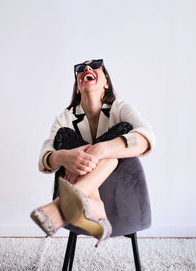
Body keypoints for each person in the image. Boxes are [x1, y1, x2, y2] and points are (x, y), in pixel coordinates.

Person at [30, 59, 156, 247]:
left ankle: (63, 206)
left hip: (119, 194)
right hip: (81, 201)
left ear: (106, 82)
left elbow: (147, 137)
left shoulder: (120, 108)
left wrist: (98, 151)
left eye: (96, 65)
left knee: (124, 130)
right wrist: (64, 157)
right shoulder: (64, 118)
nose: (87, 68)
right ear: (78, 88)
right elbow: (43, 159)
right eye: (81, 68)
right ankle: (93, 203)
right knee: (63, 135)